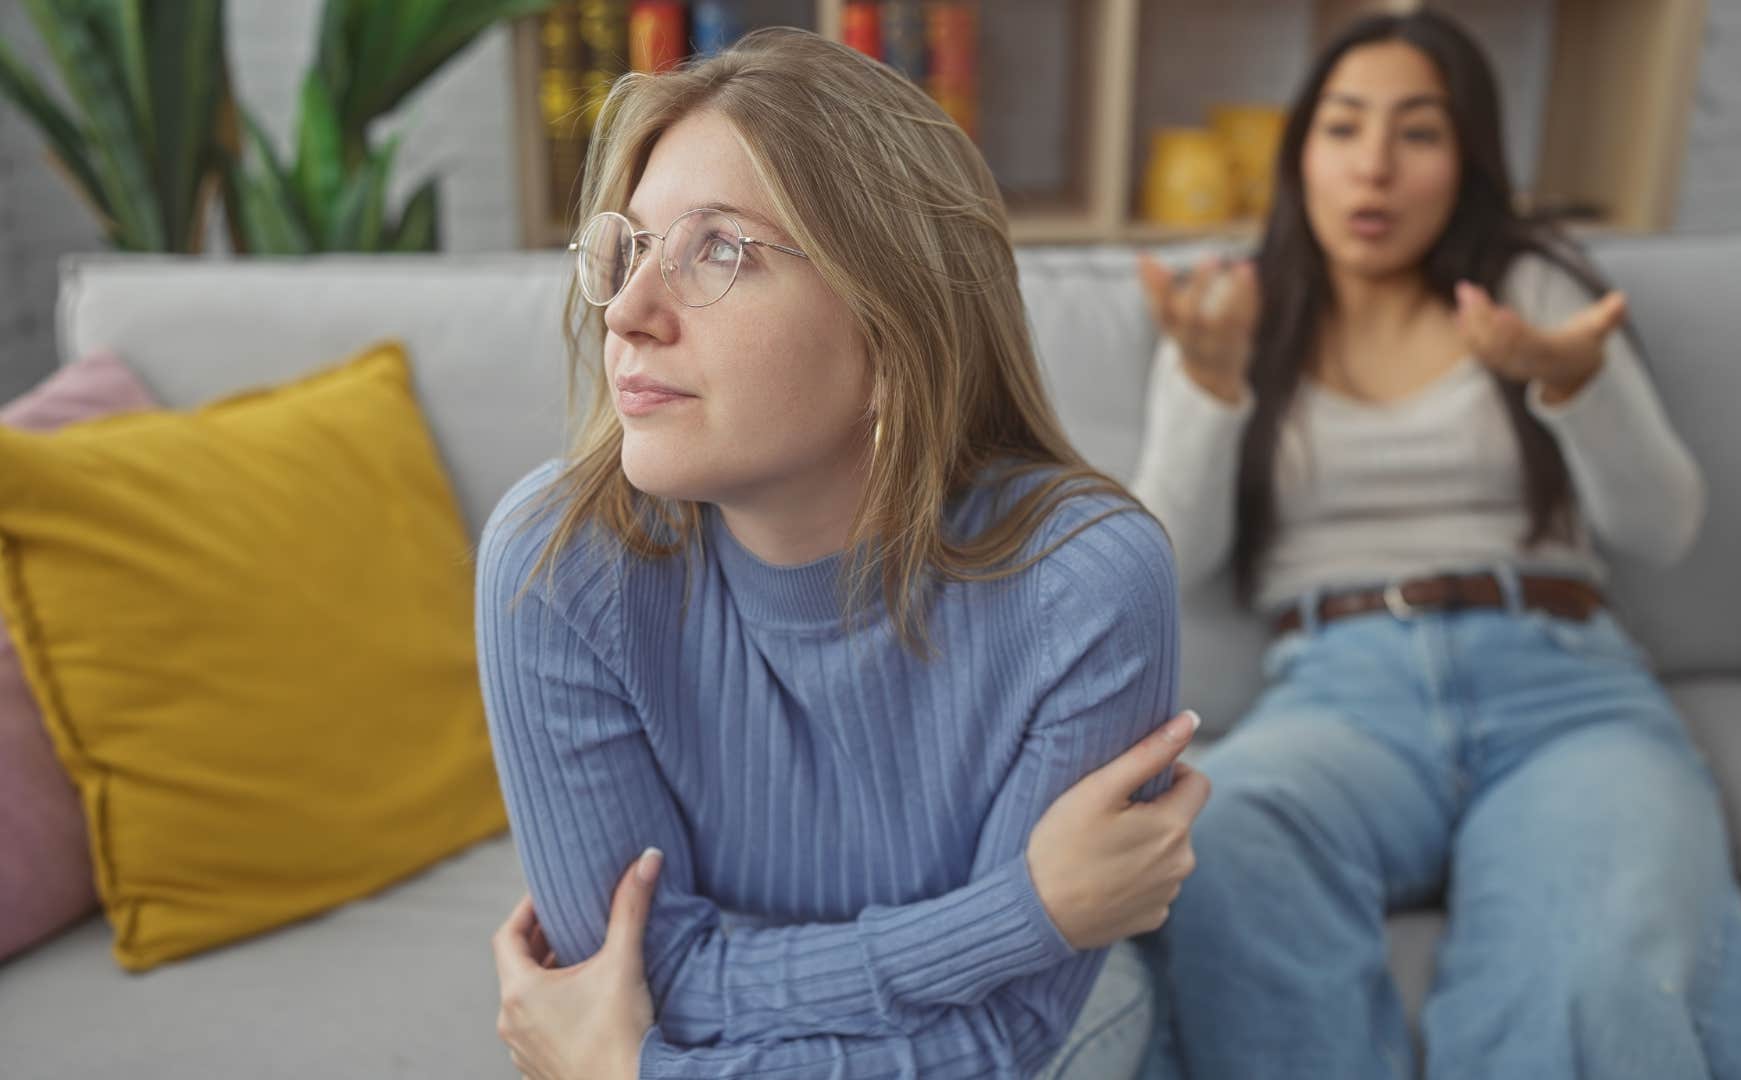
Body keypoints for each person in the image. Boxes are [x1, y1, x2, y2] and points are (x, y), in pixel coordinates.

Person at [475, 28, 1209, 1080]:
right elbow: (636, 982)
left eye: (718, 250)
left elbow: (1006, 1044)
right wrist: (1023, 912)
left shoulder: (1084, 586)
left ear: (893, 328)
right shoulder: (555, 567)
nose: (628, 314)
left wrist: (633, 1071)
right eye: (629, 250)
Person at [1131, 11, 1741, 1079]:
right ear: (1301, 154)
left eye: (1418, 133)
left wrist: (1570, 381)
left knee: (1595, 975)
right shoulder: (1237, 309)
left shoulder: (1531, 286)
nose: (1374, 166)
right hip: (1339, 693)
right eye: (1343, 128)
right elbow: (1159, 563)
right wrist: (1210, 385)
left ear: (1467, 158)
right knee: (1219, 840)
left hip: (1562, 690)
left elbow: (1664, 525)